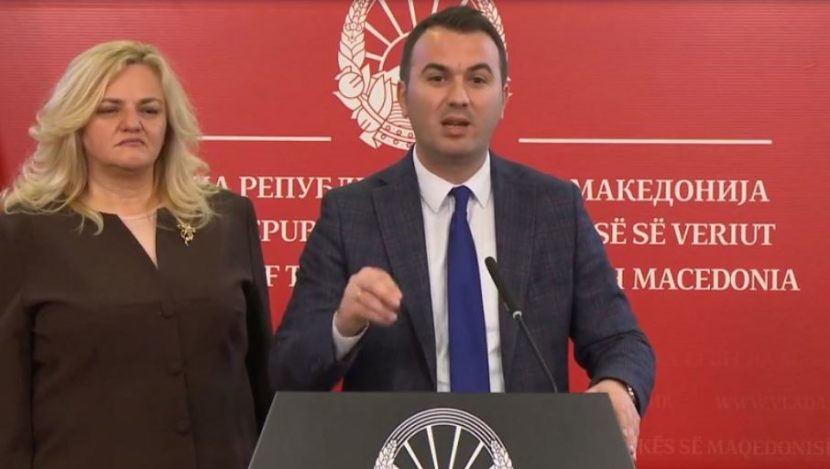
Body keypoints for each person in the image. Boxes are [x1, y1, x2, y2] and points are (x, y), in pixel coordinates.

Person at [271, 6, 655, 459]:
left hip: (528, 455)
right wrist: (344, 324)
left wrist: (619, 387)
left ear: (504, 98)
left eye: (477, 79)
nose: (458, 97)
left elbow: (621, 340)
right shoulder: (350, 214)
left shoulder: (554, 208)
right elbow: (287, 371)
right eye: (437, 78)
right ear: (402, 96)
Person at [0, 40, 272, 469]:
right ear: (76, 121)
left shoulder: (227, 219)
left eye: (149, 110)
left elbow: (261, 373)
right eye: (109, 110)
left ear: (169, 123)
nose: (133, 123)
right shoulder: (24, 231)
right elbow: (7, 404)